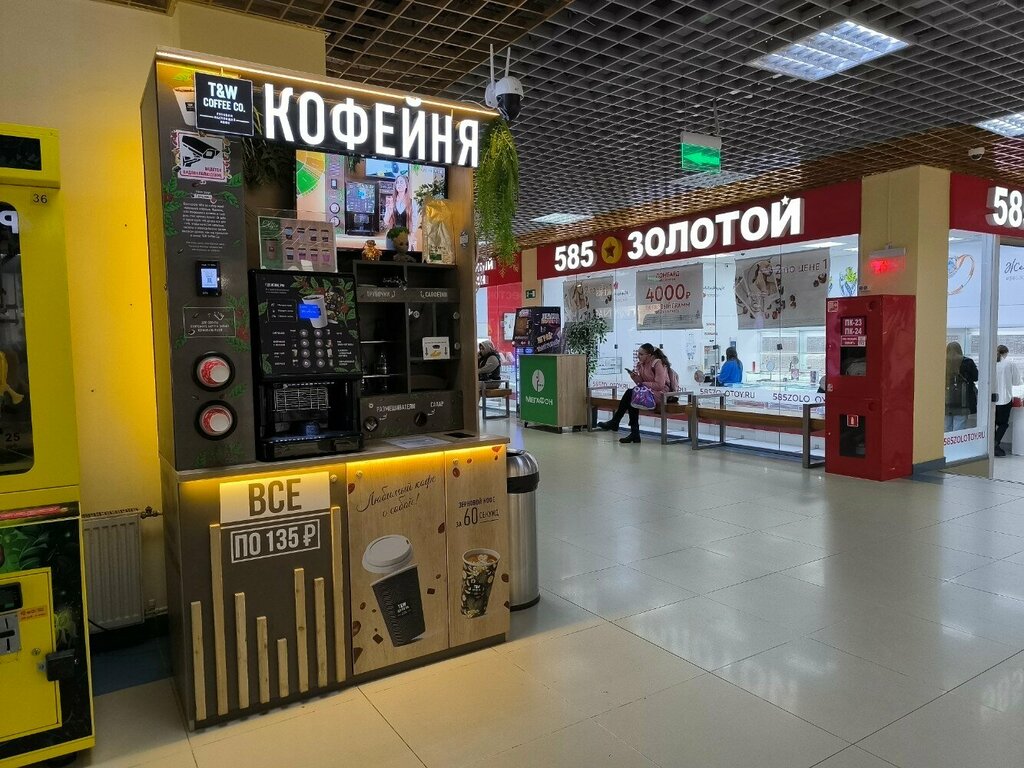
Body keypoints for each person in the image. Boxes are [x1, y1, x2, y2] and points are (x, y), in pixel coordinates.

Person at [597, 343, 670, 444]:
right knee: (633, 397)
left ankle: (619, 423)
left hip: (661, 394)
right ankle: (632, 432)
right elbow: (641, 384)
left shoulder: (657, 363)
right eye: (637, 353)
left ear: (649, 355)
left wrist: (644, 384)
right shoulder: (641, 364)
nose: (638, 356)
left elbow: (660, 385)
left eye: (641, 354)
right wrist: (634, 376)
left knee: (631, 394)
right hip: (648, 393)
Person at [994, 344, 1021, 456]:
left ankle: (992, 444)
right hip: (1004, 398)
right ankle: (995, 444)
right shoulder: (1009, 363)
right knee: (1003, 424)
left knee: (992, 423)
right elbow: (1017, 381)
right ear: (1005, 353)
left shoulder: (991, 363)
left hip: (991, 399)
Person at [945, 341, 978, 431]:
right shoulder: (968, 362)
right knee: (959, 425)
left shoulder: (943, 362)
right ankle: (956, 441)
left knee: (946, 426)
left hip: (947, 398)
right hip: (963, 398)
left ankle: (946, 440)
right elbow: (976, 377)